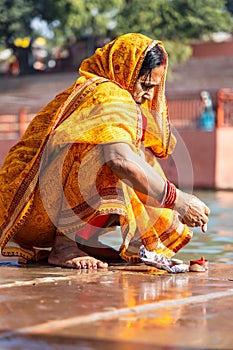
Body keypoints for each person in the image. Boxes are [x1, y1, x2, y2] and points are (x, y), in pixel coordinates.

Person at [0, 33, 210, 270]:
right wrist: (179, 201)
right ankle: (64, 245)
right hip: (24, 204)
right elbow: (120, 161)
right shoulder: (107, 93)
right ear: (126, 72)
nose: (150, 94)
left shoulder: (111, 94)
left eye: (154, 87)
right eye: (145, 85)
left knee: (140, 157)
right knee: (110, 156)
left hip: (39, 203)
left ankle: (83, 239)